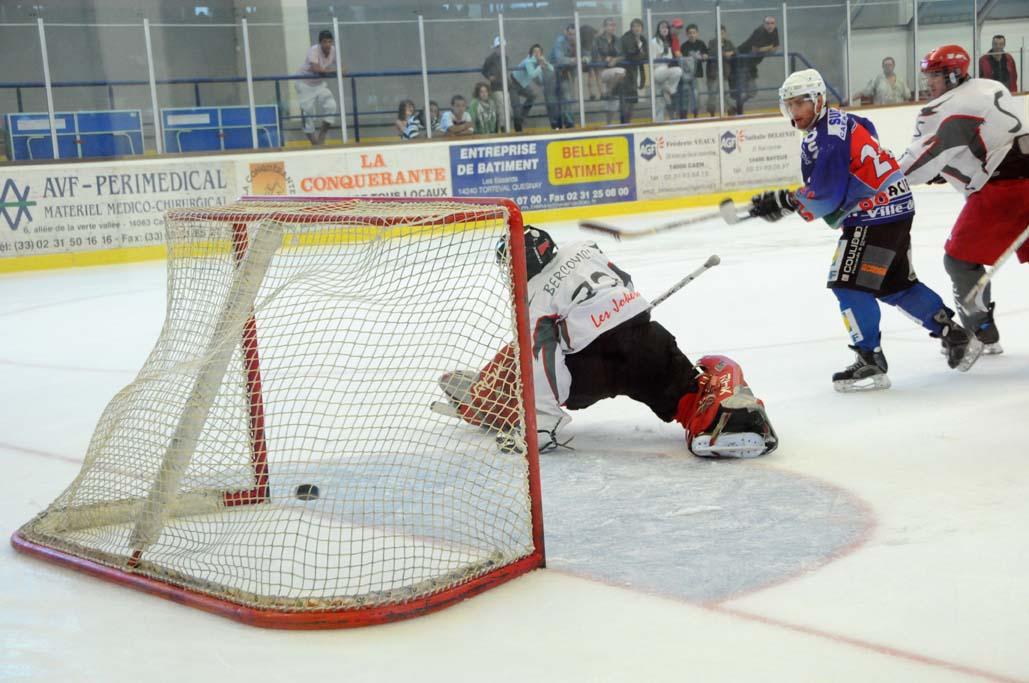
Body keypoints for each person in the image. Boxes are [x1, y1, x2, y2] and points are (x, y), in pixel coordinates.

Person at [437, 226, 778, 458]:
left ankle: (486, 397)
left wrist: (544, 421)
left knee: (517, 359)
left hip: (590, 369)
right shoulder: (583, 250)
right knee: (686, 395)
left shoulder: (533, 296)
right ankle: (720, 420)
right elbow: (624, 280)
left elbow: (542, 356)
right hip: (644, 340)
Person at [749, 69, 982, 391]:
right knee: (894, 284)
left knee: (848, 285)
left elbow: (827, 195)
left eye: (799, 104)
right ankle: (955, 336)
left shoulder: (824, 137)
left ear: (817, 100)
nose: (794, 113)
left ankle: (870, 361)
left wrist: (787, 201)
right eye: (789, 106)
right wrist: (791, 201)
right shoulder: (843, 121)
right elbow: (865, 138)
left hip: (874, 216)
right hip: (896, 207)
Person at [898, 44, 1029, 355]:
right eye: (927, 76)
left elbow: (915, 165)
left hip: (1004, 190)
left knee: (959, 260)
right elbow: (990, 135)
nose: (929, 83)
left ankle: (980, 331)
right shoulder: (991, 86)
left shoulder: (941, 108)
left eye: (936, 76)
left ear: (954, 74)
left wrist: (881, 177)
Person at [295, 29, 340, 145]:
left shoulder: (333, 50)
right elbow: (315, 68)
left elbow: (343, 68)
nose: (328, 45)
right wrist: (330, 71)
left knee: (332, 106)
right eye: (325, 42)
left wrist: (326, 71)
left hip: (319, 84)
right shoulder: (314, 50)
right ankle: (314, 144)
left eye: (330, 42)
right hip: (304, 84)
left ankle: (322, 136)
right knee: (307, 113)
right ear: (320, 43)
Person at [734, 16, 779, 114]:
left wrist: (765, 49)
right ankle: (737, 110)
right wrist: (768, 48)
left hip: (751, 64)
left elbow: (775, 48)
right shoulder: (759, 31)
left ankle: (736, 107)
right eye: (768, 23)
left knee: (752, 91)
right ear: (764, 24)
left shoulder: (775, 31)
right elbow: (755, 50)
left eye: (772, 23)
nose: (770, 26)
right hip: (741, 60)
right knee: (741, 89)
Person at [510, 44, 554, 132]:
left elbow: (552, 69)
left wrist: (545, 63)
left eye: (539, 52)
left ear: (541, 53)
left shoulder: (540, 60)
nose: (537, 53)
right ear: (531, 53)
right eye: (535, 51)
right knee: (516, 107)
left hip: (523, 84)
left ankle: (522, 117)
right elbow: (532, 74)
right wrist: (541, 66)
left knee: (532, 96)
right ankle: (518, 130)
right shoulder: (528, 61)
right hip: (514, 83)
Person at [592, 18, 626, 125]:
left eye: (614, 25)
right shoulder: (598, 40)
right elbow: (593, 56)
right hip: (602, 71)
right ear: (605, 27)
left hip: (614, 71)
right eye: (610, 25)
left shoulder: (618, 40)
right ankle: (608, 92)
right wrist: (604, 60)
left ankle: (608, 124)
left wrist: (615, 59)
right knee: (621, 72)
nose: (612, 27)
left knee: (613, 100)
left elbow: (624, 56)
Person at [650, 20, 683, 122]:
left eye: (666, 27)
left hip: (665, 71)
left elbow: (669, 59)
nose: (665, 29)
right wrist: (661, 55)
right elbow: (652, 60)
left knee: (662, 101)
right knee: (677, 70)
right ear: (658, 29)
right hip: (657, 71)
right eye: (662, 27)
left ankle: (668, 89)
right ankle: (671, 90)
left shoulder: (667, 42)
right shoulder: (654, 41)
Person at [618, 18, 647, 124]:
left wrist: (640, 54)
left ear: (642, 28)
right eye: (634, 26)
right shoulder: (626, 39)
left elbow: (646, 56)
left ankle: (628, 123)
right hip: (626, 74)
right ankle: (624, 124)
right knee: (626, 101)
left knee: (633, 101)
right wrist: (640, 53)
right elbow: (631, 56)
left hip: (636, 73)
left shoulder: (643, 39)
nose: (636, 28)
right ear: (631, 28)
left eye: (638, 26)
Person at [550, 23, 579, 129]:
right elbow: (559, 59)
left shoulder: (577, 42)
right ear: (565, 32)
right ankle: (564, 123)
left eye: (574, 34)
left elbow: (586, 55)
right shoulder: (560, 41)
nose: (572, 36)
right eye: (570, 34)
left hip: (567, 72)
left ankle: (568, 122)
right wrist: (574, 60)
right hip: (554, 72)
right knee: (560, 98)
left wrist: (583, 59)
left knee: (567, 97)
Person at [678, 24, 708, 118]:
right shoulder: (684, 46)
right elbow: (681, 60)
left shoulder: (701, 44)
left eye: (694, 33)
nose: (692, 35)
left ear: (697, 34)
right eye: (690, 33)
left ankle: (696, 114)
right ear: (687, 34)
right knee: (686, 96)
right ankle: (684, 115)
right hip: (687, 77)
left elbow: (706, 54)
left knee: (699, 97)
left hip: (698, 75)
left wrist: (705, 56)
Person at [706, 25, 736, 116]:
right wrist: (723, 52)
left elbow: (736, 51)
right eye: (718, 33)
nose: (720, 35)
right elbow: (712, 52)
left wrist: (731, 52)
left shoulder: (728, 43)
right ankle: (712, 112)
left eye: (722, 33)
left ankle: (731, 109)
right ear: (716, 34)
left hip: (724, 72)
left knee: (726, 92)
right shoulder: (712, 42)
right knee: (713, 94)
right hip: (713, 72)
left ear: (725, 34)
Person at [481, 37, 508, 131]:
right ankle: (501, 128)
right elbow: (483, 70)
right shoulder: (490, 58)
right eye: (499, 47)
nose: (501, 49)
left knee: (505, 107)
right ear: (496, 48)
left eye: (502, 47)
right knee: (500, 107)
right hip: (496, 87)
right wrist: (489, 77)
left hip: (504, 86)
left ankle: (503, 127)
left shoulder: (505, 57)